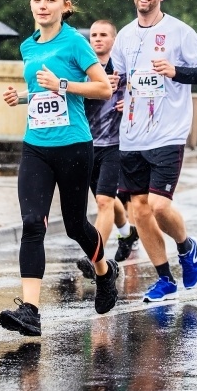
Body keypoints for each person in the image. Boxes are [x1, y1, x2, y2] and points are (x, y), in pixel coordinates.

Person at [0, 0, 118, 337]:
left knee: (75, 225)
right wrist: (20, 97)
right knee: (33, 222)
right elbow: (41, 90)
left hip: (74, 145)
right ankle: (31, 311)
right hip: (36, 144)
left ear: (65, 6)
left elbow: (103, 88)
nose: (42, 5)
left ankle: (105, 273)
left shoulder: (76, 43)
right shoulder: (28, 46)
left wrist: (63, 85)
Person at [110, 0, 197, 302]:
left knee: (159, 206)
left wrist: (177, 71)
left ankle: (186, 248)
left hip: (168, 133)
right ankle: (164, 279)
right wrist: (116, 88)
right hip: (131, 135)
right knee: (139, 211)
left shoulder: (179, 32)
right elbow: (114, 75)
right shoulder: (125, 36)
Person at [75, 19, 139, 279]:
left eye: (103, 35)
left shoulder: (124, 69)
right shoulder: (84, 69)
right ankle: (127, 233)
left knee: (104, 201)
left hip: (116, 145)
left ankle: (95, 258)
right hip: (88, 144)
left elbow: (146, 95)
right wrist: (98, 89)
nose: (98, 39)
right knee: (107, 201)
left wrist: (129, 102)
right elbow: (72, 96)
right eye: (94, 35)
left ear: (114, 39)